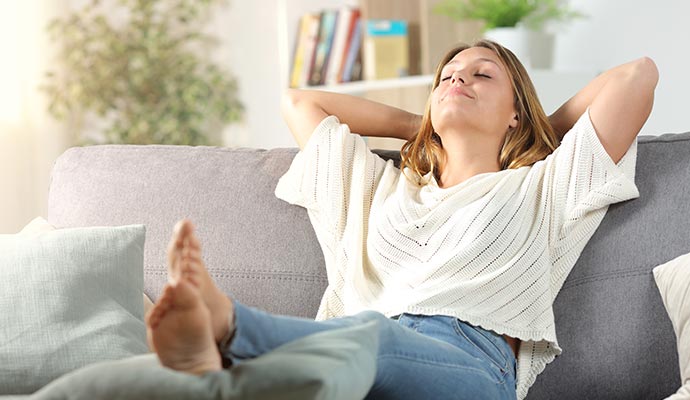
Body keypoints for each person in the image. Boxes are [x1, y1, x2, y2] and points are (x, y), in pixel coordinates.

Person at [145, 40, 658, 400]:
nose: (459, 79)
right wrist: (421, 126)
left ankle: (229, 329)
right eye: (448, 77)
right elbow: (301, 102)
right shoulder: (379, 188)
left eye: (481, 75)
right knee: (361, 348)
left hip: (469, 364)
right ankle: (227, 369)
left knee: (371, 339)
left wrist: (541, 130)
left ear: (516, 114)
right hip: (356, 355)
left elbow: (638, 76)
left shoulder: (545, 185)